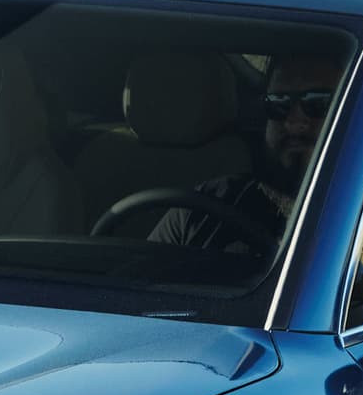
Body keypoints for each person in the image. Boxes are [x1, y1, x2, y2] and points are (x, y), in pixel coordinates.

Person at [141, 53, 346, 255]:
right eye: (278, 103)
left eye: (318, 103)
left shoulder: (358, 224)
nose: (294, 122)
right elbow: (143, 272)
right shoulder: (206, 207)